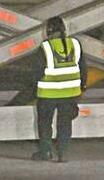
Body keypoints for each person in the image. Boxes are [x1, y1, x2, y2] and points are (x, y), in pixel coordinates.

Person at [32, 16, 86, 163]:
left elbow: (36, 72)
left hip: (48, 93)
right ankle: (63, 153)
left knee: (45, 122)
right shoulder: (75, 44)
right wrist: (82, 87)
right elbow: (83, 69)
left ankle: (46, 152)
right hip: (70, 93)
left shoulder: (46, 47)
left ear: (48, 30)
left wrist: (32, 90)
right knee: (65, 123)